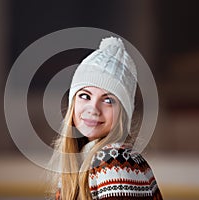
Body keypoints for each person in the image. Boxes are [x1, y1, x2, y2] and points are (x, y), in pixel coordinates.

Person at [48, 37, 163, 199]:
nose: (93, 109)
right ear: (72, 103)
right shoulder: (80, 161)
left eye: (108, 100)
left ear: (123, 114)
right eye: (84, 96)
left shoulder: (115, 162)